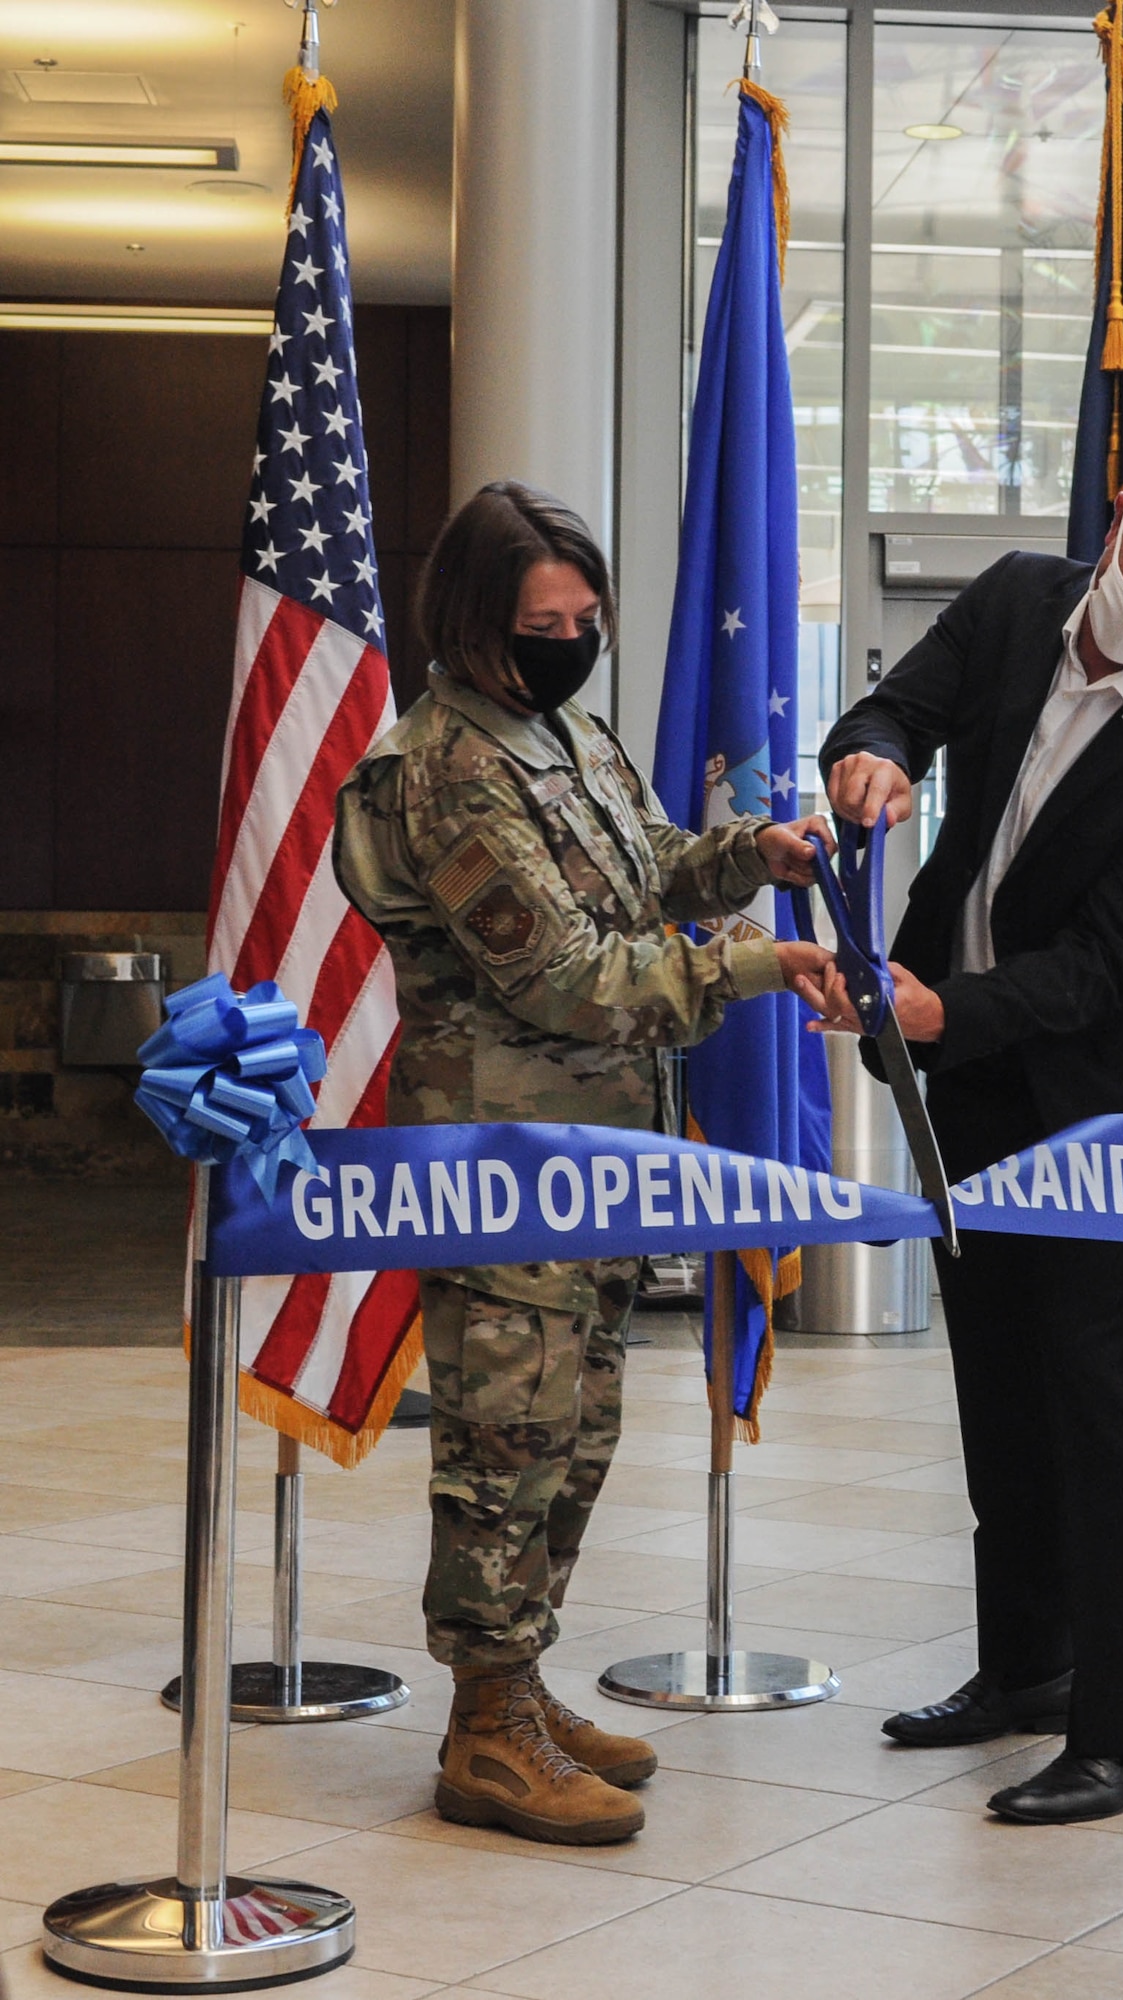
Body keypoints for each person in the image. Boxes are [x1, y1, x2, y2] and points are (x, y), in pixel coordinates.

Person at [333, 481, 834, 1846]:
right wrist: (758, 966)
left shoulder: (566, 733)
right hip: (501, 1156)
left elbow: (651, 866)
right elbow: (564, 975)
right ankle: (484, 1725)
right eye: (544, 621)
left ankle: (521, 1681)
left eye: (586, 615)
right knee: (508, 1437)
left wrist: (753, 857)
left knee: (581, 1425)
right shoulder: (447, 768)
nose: (573, 637)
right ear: (476, 622)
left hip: (601, 1152)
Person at [808, 445, 1123, 1825]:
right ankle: (1026, 1668)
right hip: (982, 1075)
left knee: (1103, 1393)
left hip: (1121, 1094)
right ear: (1118, 516)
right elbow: (897, 708)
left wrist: (937, 1005)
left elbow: (1103, 968)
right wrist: (873, 764)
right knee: (1001, 1375)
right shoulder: (1020, 600)